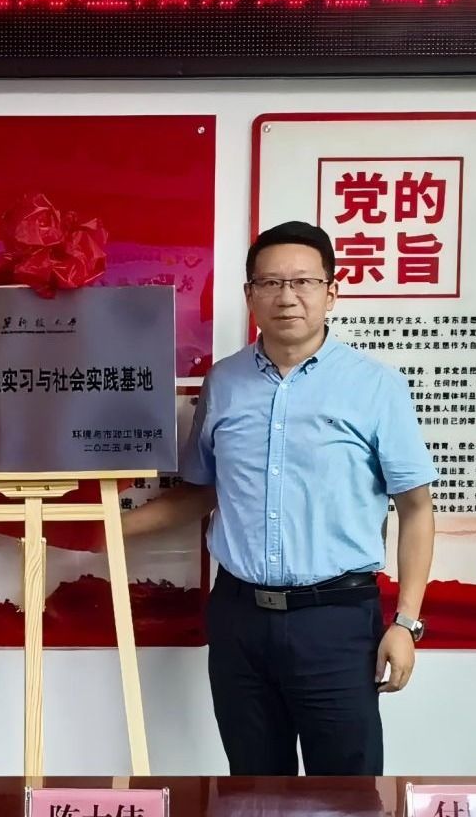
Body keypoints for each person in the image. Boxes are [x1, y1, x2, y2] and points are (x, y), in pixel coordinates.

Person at [123, 221, 435, 776]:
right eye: (270, 283)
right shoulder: (223, 382)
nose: (287, 297)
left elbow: (416, 509)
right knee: (253, 791)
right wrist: (91, 526)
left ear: (331, 292)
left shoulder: (375, 386)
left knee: (346, 799)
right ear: (250, 295)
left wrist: (406, 623)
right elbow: (201, 493)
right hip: (239, 618)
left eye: (303, 282)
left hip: (336, 621)